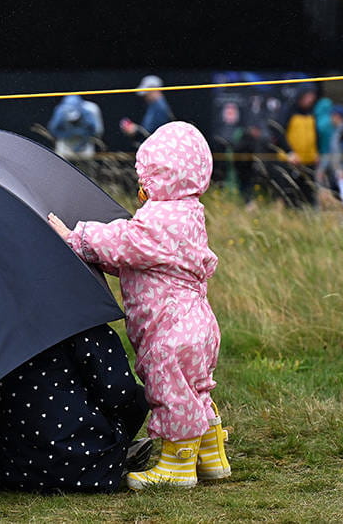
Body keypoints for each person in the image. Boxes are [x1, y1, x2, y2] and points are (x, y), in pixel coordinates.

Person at [47, 122, 230, 490]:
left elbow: (127, 241)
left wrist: (77, 237)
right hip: (195, 324)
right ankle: (211, 457)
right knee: (194, 389)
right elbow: (143, 258)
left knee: (170, 391)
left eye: (146, 173)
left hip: (171, 328)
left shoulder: (159, 220)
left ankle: (177, 467)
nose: (141, 182)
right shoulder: (188, 212)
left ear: (162, 175)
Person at [0, 325, 149, 494]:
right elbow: (118, 390)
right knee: (138, 397)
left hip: (16, 467)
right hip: (88, 462)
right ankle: (111, 455)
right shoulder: (79, 321)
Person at [274, 85, 319, 207]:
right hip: (291, 161)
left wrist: (316, 152)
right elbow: (278, 132)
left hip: (308, 162)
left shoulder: (311, 113)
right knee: (290, 196)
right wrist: (289, 152)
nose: (311, 99)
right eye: (308, 96)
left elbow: (314, 135)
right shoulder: (288, 110)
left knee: (309, 197)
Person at [48, 95, 104, 162]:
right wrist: (65, 135)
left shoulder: (89, 111)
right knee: (61, 164)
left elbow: (96, 131)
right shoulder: (60, 111)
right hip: (65, 144)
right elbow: (53, 129)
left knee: (85, 167)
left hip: (84, 145)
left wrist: (83, 137)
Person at [120, 75, 173, 145]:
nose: (145, 97)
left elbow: (155, 134)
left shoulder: (159, 107)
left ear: (153, 89)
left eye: (146, 94)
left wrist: (136, 129)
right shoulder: (155, 106)